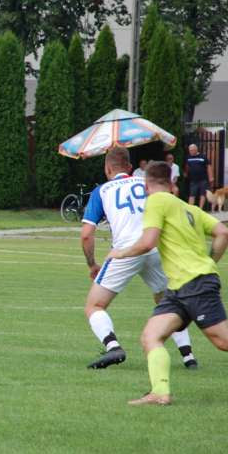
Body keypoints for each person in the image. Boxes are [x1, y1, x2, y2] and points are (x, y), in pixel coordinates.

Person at [107, 161, 228, 406]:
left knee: (225, 340)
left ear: (146, 184)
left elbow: (148, 242)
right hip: (179, 288)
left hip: (195, 284)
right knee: (151, 335)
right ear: (172, 183)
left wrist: (121, 253)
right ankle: (160, 392)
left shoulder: (156, 201)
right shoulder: (189, 208)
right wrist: (210, 262)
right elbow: (224, 233)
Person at [80, 148, 196, 370]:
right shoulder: (146, 183)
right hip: (154, 247)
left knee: (94, 305)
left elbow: (86, 234)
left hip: (126, 251)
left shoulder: (102, 191)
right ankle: (188, 357)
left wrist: (92, 264)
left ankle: (113, 347)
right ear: (130, 167)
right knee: (167, 302)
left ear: (107, 168)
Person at [184, 144, 213, 209]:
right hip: (193, 180)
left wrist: (211, 177)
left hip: (203, 179)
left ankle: (200, 208)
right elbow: (187, 167)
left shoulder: (203, 157)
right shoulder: (188, 157)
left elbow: (208, 166)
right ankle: (190, 209)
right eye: (189, 150)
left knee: (202, 194)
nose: (190, 152)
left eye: (192, 150)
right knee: (192, 194)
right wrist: (185, 173)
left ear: (196, 150)